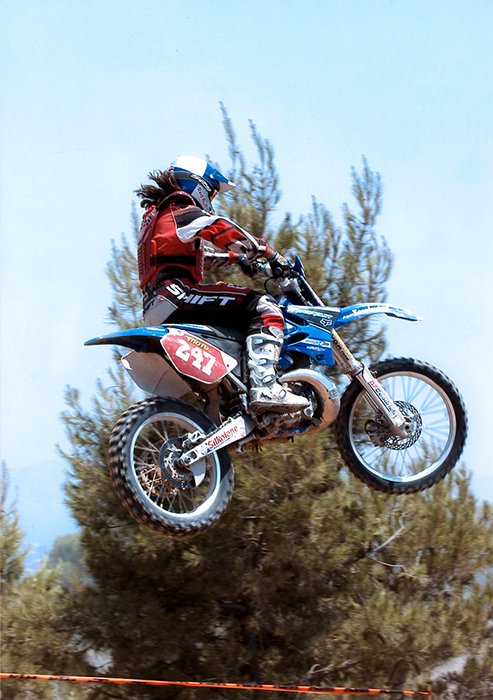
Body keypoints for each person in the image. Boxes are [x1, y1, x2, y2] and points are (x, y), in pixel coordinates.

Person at [135, 155, 309, 414]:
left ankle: (231, 402)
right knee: (265, 306)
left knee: (235, 322)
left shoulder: (161, 216)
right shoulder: (180, 208)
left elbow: (196, 255)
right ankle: (265, 386)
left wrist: (238, 258)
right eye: (212, 193)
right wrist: (266, 251)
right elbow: (217, 226)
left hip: (156, 305)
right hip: (177, 296)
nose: (211, 200)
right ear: (198, 185)